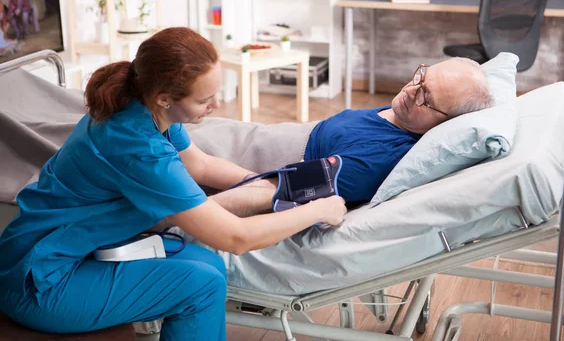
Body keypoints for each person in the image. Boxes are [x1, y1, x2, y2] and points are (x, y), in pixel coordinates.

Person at [0, 27, 346, 341]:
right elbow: (236, 238)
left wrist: (269, 183)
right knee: (203, 286)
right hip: (41, 281)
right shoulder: (139, 148)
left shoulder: (146, 107)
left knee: (208, 265)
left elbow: (201, 164)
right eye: (203, 100)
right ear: (166, 96)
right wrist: (319, 209)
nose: (215, 105)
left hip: (70, 250)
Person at [303, 57, 494, 204]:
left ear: (445, 123)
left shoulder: (378, 157)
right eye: (422, 78)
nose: (410, 90)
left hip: (295, 154)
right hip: (303, 133)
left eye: (425, 96)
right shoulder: (404, 115)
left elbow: (286, 188)